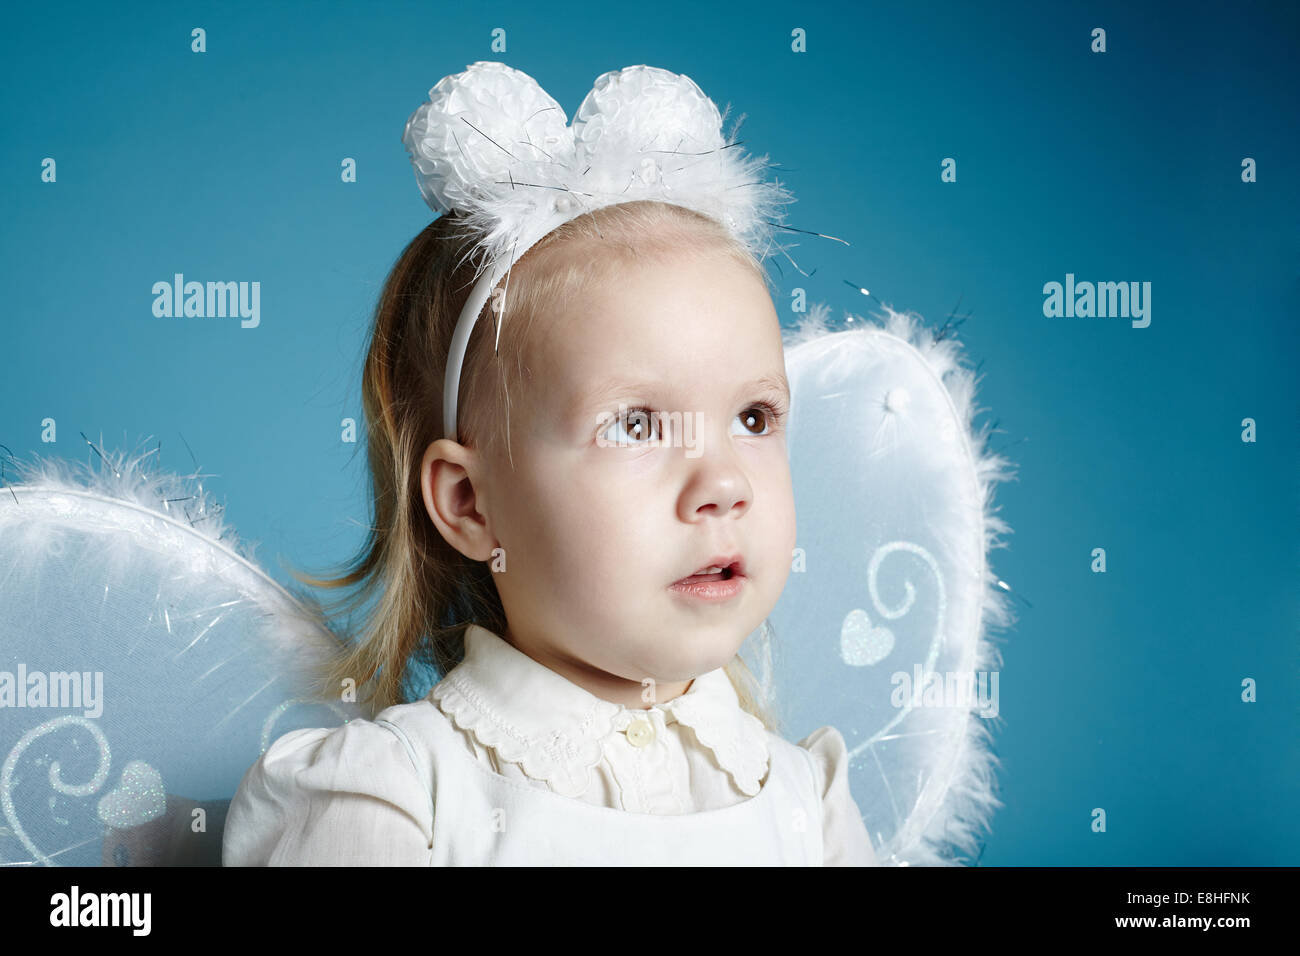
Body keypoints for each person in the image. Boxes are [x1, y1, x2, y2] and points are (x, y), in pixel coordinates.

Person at [221, 61, 879, 866]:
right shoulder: (396, 799)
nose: (723, 486)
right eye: (635, 425)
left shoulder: (806, 801)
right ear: (471, 504)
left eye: (753, 417)